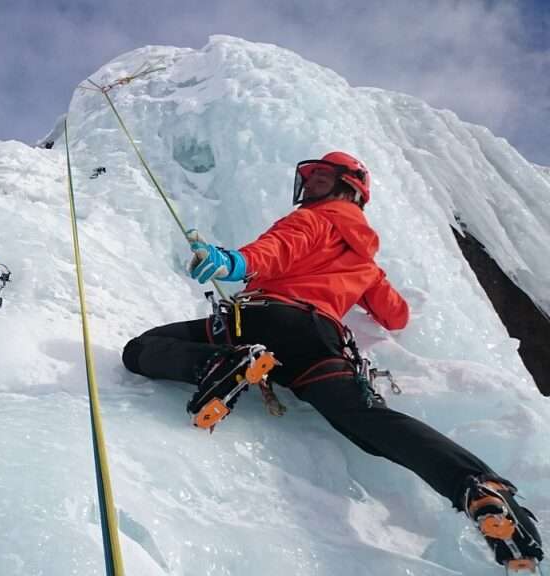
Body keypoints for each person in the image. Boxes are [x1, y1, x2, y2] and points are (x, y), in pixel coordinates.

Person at [121, 151, 543, 570]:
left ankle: (218, 365)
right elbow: (396, 315)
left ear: (349, 186)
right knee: (366, 419)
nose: (311, 183)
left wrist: (235, 262)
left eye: (323, 176)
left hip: (262, 319)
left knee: (141, 347)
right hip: (319, 341)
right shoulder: (365, 261)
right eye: (311, 176)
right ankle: (476, 485)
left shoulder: (313, 218)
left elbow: (278, 248)